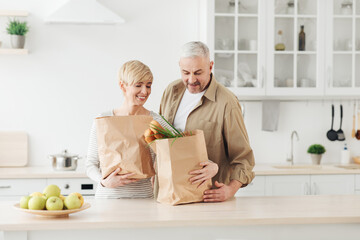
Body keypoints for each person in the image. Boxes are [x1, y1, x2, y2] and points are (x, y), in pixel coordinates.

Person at [86, 60, 218, 198]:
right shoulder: (104, 120)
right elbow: (90, 163)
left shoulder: (155, 120)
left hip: (143, 198)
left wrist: (212, 165)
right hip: (107, 198)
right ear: (123, 86)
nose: (145, 91)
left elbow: (181, 147)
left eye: (148, 86)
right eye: (138, 85)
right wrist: (103, 182)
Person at [159, 41, 255, 202]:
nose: (191, 79)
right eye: (185, 72)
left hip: (206, 199)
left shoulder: (227, 103)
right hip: (168, 195)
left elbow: (244, 159)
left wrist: (230, 190)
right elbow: (160, 138)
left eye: (198, 72)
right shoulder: (171, 91)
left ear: (210, 67)